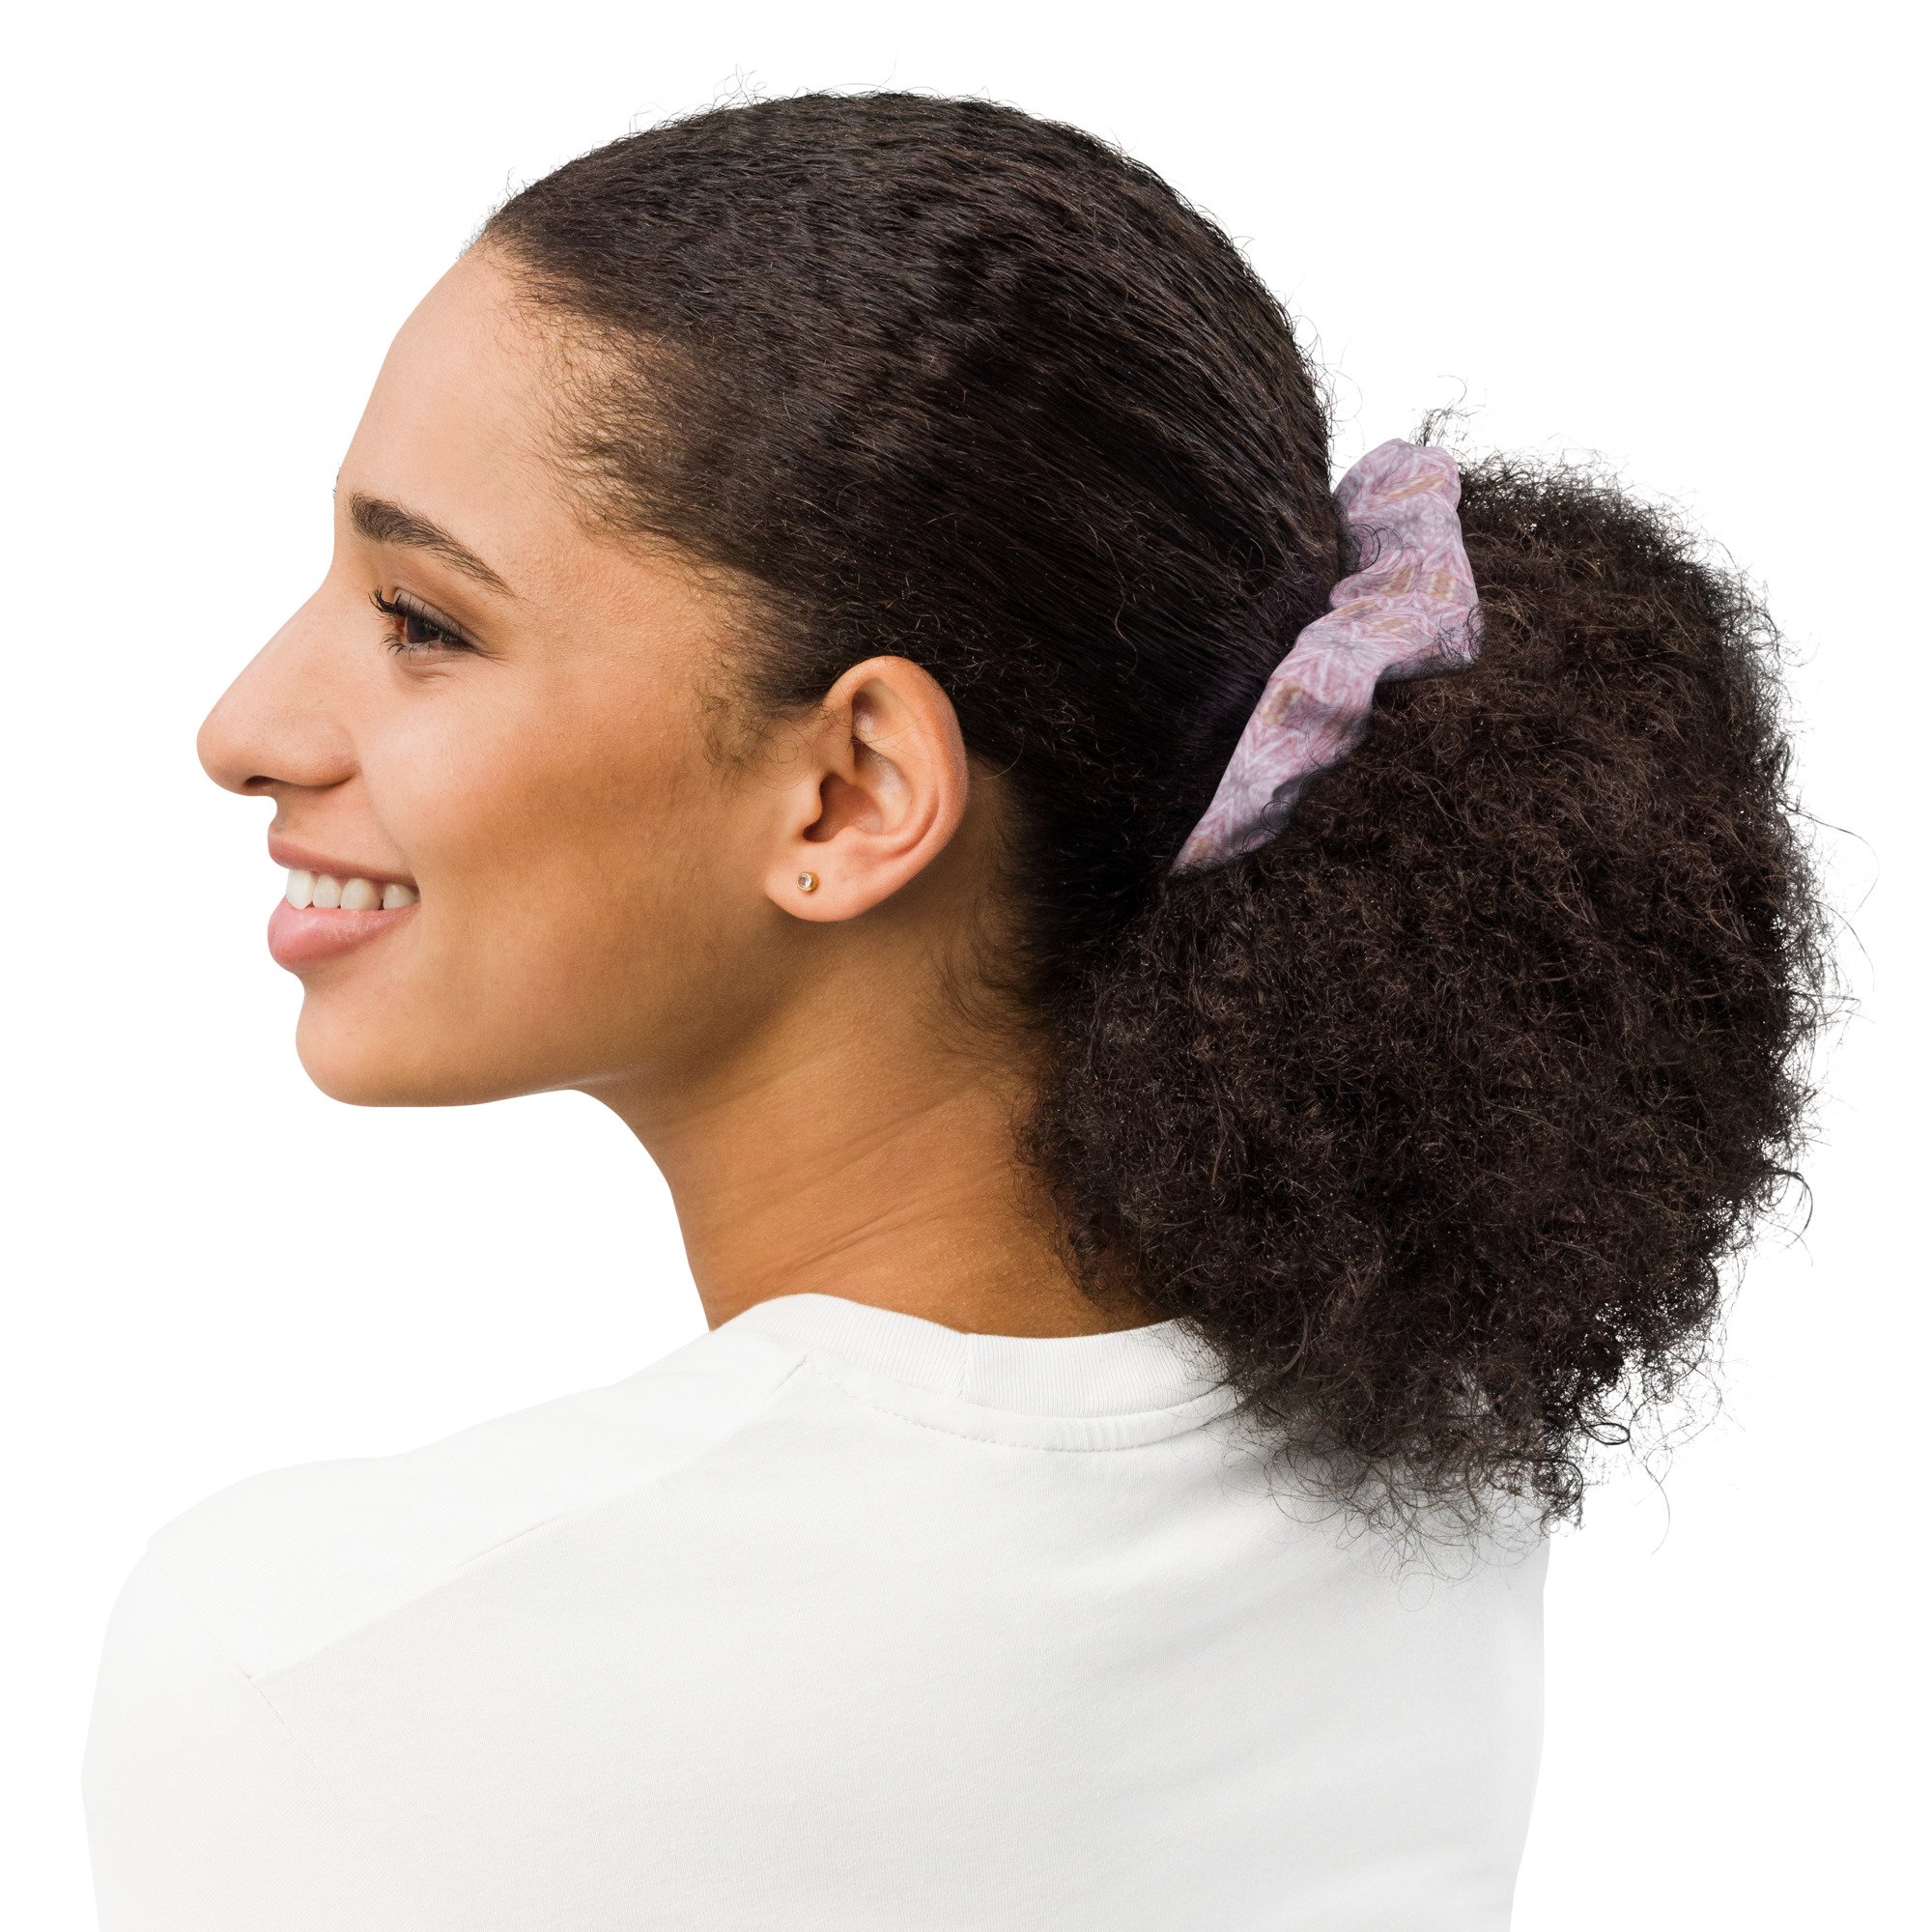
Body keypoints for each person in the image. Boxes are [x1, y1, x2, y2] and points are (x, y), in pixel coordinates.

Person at [79, 91, 1831, 1930]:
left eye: (423, 621)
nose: (242, 728)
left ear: (851, 794)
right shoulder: (1438, 1471)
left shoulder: (319, 1667)